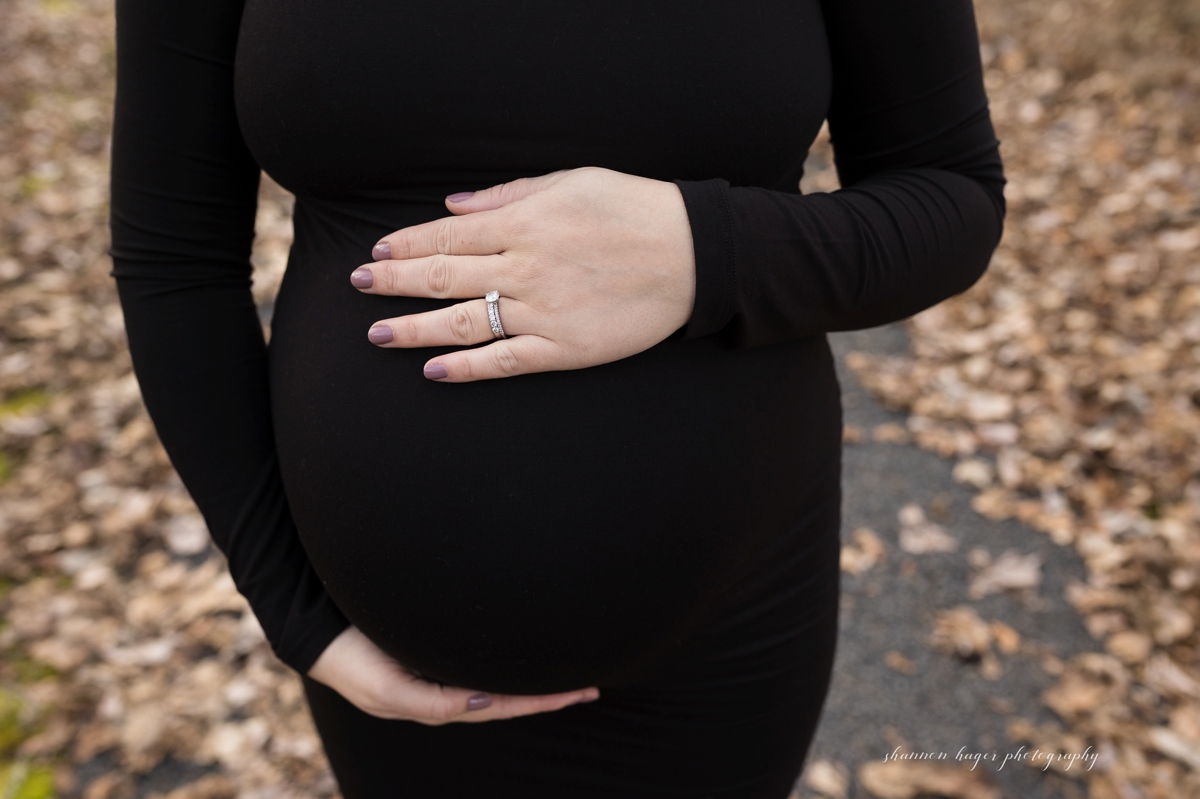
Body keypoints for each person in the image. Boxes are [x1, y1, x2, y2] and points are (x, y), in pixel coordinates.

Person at [109, 0, 1005, 795]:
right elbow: (176, 257)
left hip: (730, 640)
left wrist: (703, 251)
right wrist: (292, 607)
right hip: (395, 683)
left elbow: (953, 199)